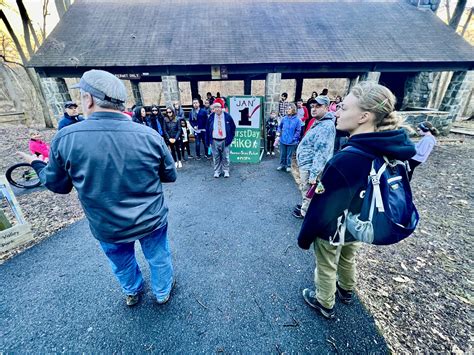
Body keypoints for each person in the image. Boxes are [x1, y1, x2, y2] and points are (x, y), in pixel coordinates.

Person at [18, 69, 177, 307]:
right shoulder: (150, 136)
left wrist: (37, 163)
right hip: (150, 219)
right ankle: (162, 291)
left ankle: (132, 290)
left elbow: (58, 185)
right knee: (158, 257)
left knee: (120, 261)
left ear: (89, 98)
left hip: (107, 224)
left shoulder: (66, 138)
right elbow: (169, 175)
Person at [297, 81, 415, 319]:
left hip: (333, 229)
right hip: (360, 224)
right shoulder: (393, 149)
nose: (336, 112)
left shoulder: (346, 160)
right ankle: (347, 290)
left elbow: (321, 209)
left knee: (327, 264)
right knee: (348, 257)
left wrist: (304, 237)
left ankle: (324, 302)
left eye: (343, 107)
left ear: (364, 116)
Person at [293, 96, 336, 219]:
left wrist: (314, 174)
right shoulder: (320, 122)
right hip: (308, 163)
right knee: (306, 189)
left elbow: (322, 151)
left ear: (327, 108)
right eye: (312, 106)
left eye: (318, 106)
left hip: (311, 165)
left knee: (309, 190)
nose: (314, 109)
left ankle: (306, 213)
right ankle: (305, 207)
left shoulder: (326, 126)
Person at [206, 102, 236, 178]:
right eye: (215, 107)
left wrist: (230, 138)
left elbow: (233, 127)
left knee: (225, 157)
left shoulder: (227, 116)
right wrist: (208, 141)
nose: (217, 109)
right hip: (214, 140)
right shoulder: (211, 117)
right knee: (216, 157)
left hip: (225, 140)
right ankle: (217, 171)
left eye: (218, 107)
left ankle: (226, 171)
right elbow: (207, 129)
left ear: (221, 108)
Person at [276, 104, 301, 172]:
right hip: (283, 140)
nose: (287, 110)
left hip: (292, 141)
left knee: (289, 155)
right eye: (287, 109)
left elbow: (298, 130)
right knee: (282, 154)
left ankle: (288, 166)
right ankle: (282, 165)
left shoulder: (297, 120)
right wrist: (278, 132)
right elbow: (279, 127)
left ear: (293, 110)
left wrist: (294, 138)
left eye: (289, 109)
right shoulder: (284, 118)